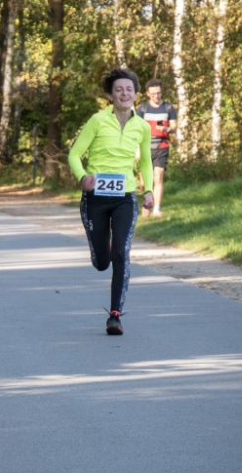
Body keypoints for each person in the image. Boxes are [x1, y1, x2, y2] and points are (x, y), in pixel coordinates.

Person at [68, 68, 154, 335]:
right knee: (102, 261)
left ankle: (115, 315)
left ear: (136, 95)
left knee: (121, 254)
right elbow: (74, 154)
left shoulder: (141, 126)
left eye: (129, 89)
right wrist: (82, 176)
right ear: (111, 94)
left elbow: (147, 162)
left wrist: (148, 190)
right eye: (119, 89)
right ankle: (100, 249)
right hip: (95, 198)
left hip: (125, 197)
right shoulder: (97, 120)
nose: (124, 93)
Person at [136, 79, 177, 218]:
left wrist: (167, 128)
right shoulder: (142, 109)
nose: (156, 96)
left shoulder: (168, 108)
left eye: (159, 93)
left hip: (162, 146)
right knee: (144, 182)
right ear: (148, 94)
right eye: (153, 94)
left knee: (158, 177)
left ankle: (157, 209)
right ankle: (147, 202)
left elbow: (174, 126)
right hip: (145, 147)